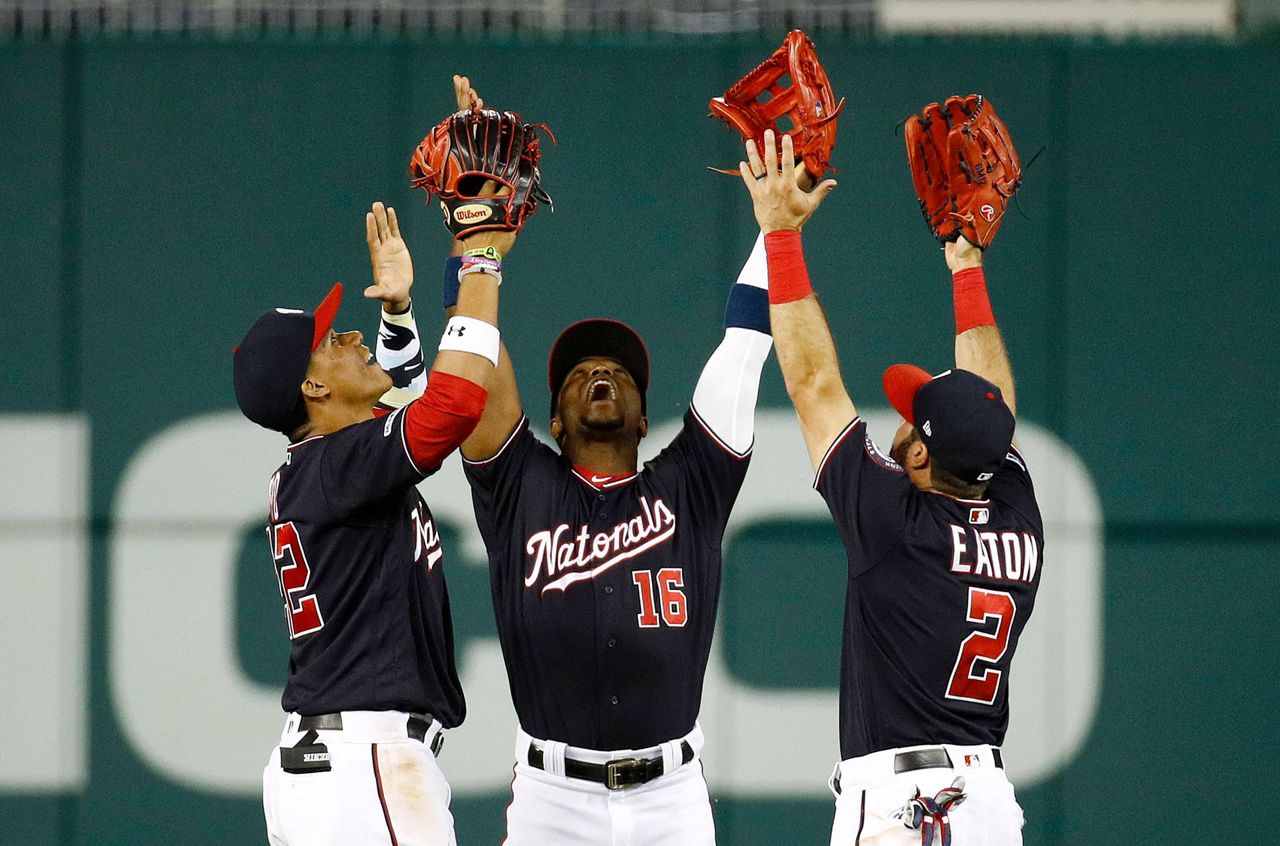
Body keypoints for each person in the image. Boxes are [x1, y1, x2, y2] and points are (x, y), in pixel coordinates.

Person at [426, 77, 775, 846]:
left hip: (672, 798)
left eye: (617, 372)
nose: (601, 374)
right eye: (581, 373)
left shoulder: (695, 486)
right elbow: (469, 372)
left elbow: (746, 347)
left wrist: (777, 230)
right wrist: (474, 238)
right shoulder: (519, 484)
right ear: (552, 417)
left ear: (648, 417)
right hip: (553, 799)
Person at [737, 130, 1040, 845]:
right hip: (989, 801)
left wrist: (780, 236)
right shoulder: (1016, 512)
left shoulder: (898, 525)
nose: (897, 425)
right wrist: (964, 264)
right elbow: (990, 406)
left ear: (925, 464)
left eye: (910, 422)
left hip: (912, 805)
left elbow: (812, 384)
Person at [233, 198, 511, 846]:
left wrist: (398, 310)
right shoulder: (337, 468)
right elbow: (454, 402)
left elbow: (403, 389)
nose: (352, 336)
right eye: (333, 342)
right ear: (315, 391)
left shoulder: (323, 466)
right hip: (362, 764)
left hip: (336, 767)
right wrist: (481, 255)